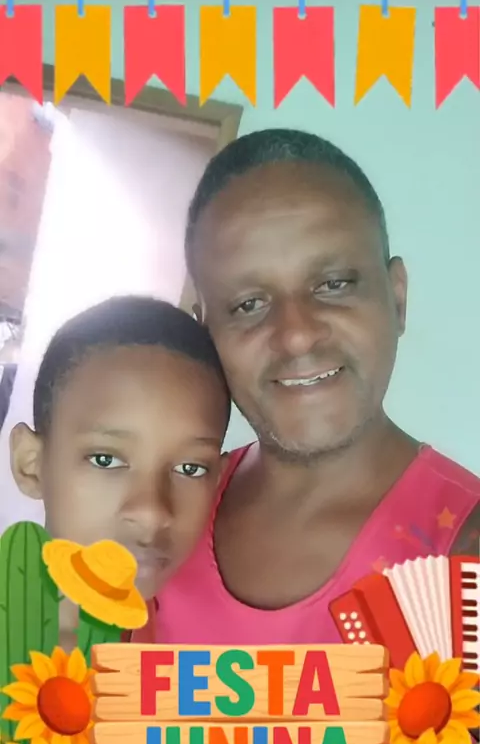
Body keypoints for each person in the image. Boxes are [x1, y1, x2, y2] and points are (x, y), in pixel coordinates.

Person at [136, 128, 479, 647]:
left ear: (397, 300)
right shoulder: (164, 515)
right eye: (249, 304)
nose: (296, 335)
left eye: (333, 285)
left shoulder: (465, 545)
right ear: (208, 335)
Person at [9, 294, 231, 651]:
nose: (152, 512)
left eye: (190, 468)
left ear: (217, 480)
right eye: (105, 460)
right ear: (30, 465)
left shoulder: (205, 657)